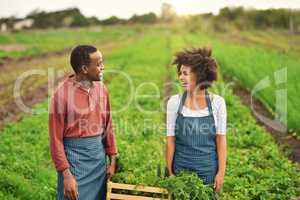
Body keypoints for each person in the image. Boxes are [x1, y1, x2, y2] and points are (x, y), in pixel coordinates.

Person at [49, 45, 117, 200]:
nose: (103, 67)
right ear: (85, 68)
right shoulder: (61, 95)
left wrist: (112, 158)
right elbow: (55, 140)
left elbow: (108, 125)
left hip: (98, 159)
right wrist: (66, 175)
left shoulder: (101, 89)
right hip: (74, 161)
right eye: (99, 64)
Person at [165, 47, 227, 195]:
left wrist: (221, 173)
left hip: (208, 171)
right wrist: (170, 172)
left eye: (185, 73)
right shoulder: (174, 102)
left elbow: (221, 140)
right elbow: (170, 140)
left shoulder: (217, 103)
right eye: (180, 73)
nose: (180, 77)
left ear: (200, 75)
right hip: (181, 170)